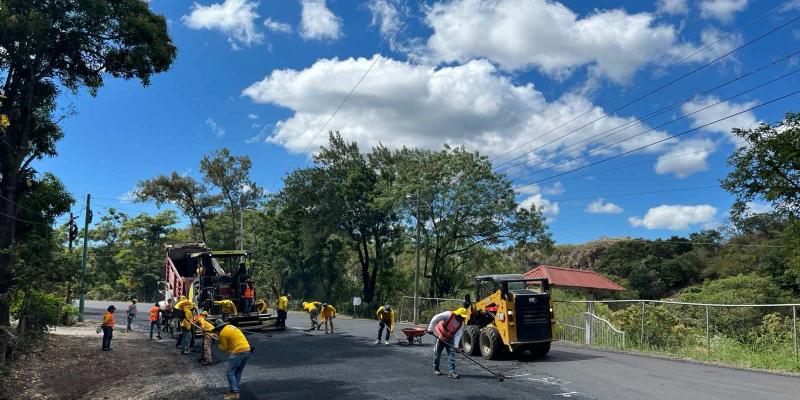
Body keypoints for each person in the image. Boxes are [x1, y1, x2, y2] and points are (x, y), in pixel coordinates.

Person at [427, 307, 470, 379]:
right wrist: (430, 328)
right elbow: (436, 317)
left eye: (464, 317)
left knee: (451, 354)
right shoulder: (448, 314)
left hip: (449, 338)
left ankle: (451, 372)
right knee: (437, 352)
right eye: (462, 317)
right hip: (440, 335)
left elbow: (458, 334)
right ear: (458, 314)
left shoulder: (461, 324)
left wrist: (456, 345)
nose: (463, 319)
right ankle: (436, 369)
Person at [213, 321, 252, 400]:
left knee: (229, 372)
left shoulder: (222, 333)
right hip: (247, 350)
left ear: (218, 329)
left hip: (239, 351)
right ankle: (234, 391)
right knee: (237, 372)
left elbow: (225, 348)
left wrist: (218, 342)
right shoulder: (231, 327)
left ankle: (234, 393)